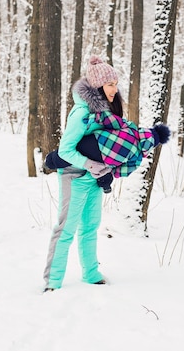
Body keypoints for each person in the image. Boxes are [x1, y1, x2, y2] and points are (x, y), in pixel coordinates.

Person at [43, 55, 133, 292]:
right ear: (98, 86)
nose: (115, 89)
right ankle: (53, 282)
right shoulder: (81, 113)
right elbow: (65, 150)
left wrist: (105, 169)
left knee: (91, 226)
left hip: (93, 178)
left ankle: (91, 274)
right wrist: (92, 165)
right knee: (66, 229)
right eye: (110, 84)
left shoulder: (104, 112)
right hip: (73, 175)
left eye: (115, 84)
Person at [44, 117, 170, 193]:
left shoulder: (132, 128)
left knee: (74, 151)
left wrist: (96, 117)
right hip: (102, 159)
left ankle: (50, 160)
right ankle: (105, 185)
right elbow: (124, 171)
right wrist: (113, 171)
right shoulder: (137, 157)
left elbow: (112, 121)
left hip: (96, 140)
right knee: (107, 174)